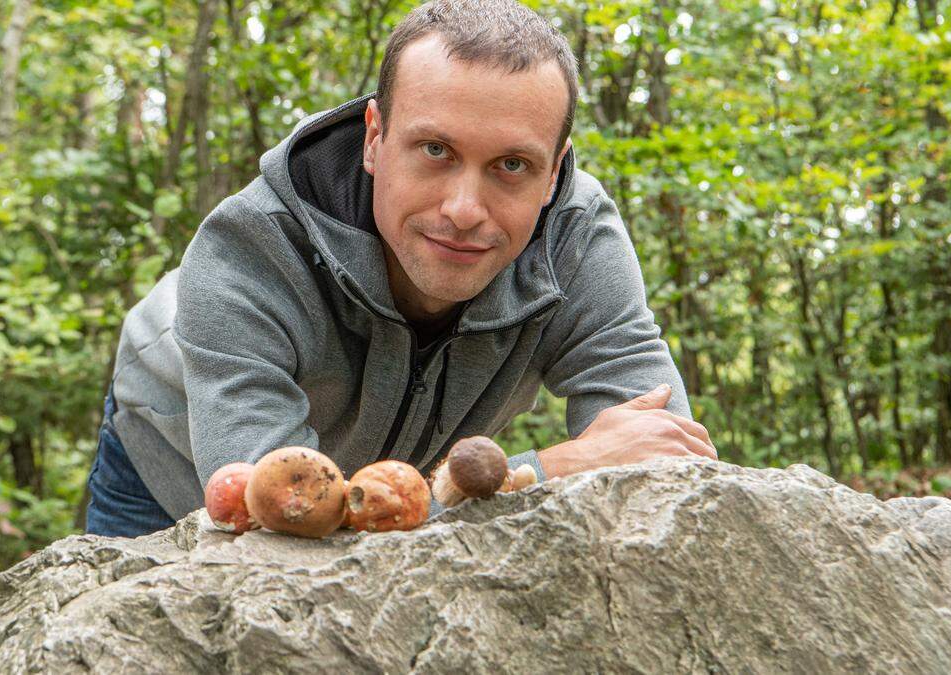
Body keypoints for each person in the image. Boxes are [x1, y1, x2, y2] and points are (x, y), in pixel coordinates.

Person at [85, 0, 717, 538]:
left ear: (555, 173)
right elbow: (291, 521)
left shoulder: (578, 240)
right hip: (171, 461)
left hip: (408, 483)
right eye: (435, 150)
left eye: (512, 165)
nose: (465, 210)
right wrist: (552, 468)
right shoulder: (247, 251)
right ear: (373, 138)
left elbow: (660, 452)